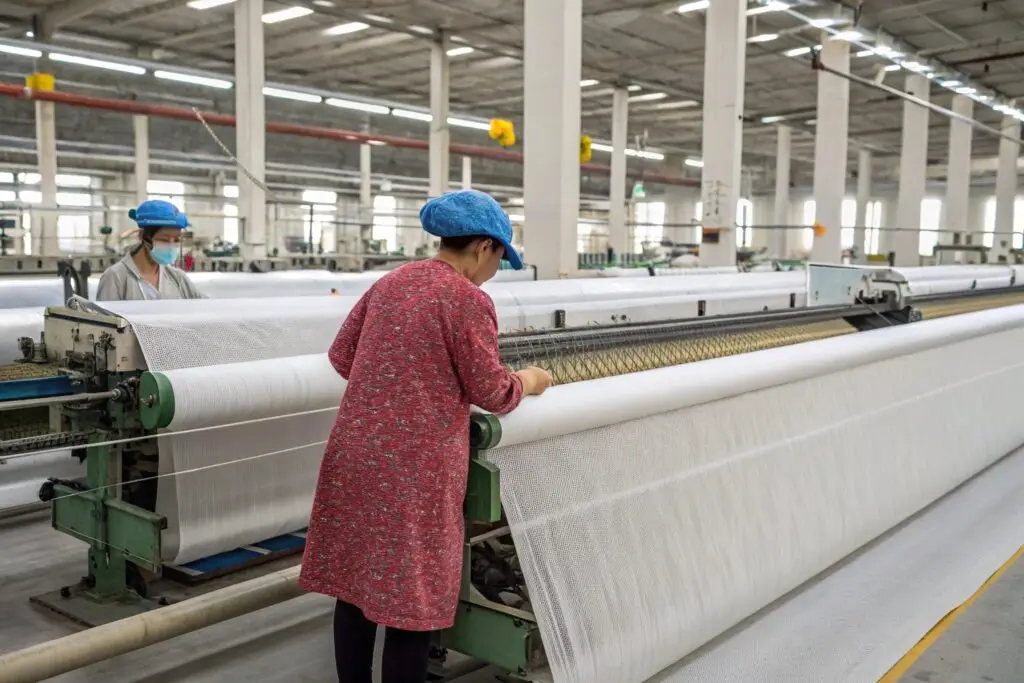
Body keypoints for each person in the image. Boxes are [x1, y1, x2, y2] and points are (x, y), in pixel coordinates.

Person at [299, 189, 553, 683]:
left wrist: (399, 377)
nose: (495, 271)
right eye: (499, 258)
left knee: (355, 588)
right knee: (409, 605)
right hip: (413, 473)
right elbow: (493, 392)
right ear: (484, 246)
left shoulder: (391, 282)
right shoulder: (467, 300)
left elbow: (342, 358)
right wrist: (531, 379)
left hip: (355, 456)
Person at [95, 199, 204, 301]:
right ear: (143, 237)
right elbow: (105, 315)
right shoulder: (115, 278)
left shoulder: (177, 277)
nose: (171, 245)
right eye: (164, 240)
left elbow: (206, 306)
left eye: (176, 240)